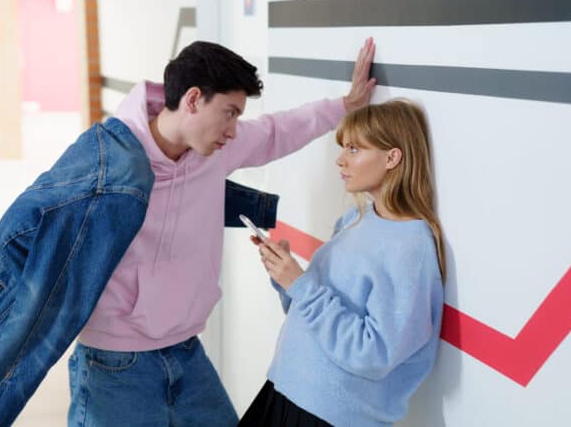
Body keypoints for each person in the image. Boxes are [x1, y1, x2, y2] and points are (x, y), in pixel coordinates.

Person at [67, 39, 377, 426]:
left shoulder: (213, 150)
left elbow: (276, 131)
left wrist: (345, 107)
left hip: (184, 350)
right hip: (114, 361)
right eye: (229, 113)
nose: (233, 131)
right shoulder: (107, 156)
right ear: (194, 99)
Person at [239, 99, 446, 427]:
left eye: (353, 149)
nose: (340, 160)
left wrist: (301, 285)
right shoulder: (355, 219)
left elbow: (375, 354)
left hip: (325, 415)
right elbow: (313, 315)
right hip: (284, 389)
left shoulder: (410, 246)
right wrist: (285, 277)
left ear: (392, 157)